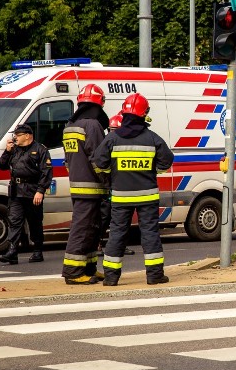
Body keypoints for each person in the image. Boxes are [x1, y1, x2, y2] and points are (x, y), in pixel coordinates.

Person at [92, 93, 174, 286]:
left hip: (121, 197)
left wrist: (113, 173)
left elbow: (99, 162)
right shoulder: (152, 138)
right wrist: (152, 170)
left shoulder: (112, 138)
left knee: (117, 235)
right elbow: (167, 161)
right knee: (150, 234)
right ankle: (154, 275)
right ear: (144, 114)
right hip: (147, 196)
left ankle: (111, 277)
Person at [60, 84, 110, 285]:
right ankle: (73, 271)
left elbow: (67, 160)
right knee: (82, 229)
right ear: (99, 104)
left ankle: (88, 267)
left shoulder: (70, 126)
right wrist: (108, 181)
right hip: (91, 186)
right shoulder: (92, 126)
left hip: (79, 185)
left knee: (91, 228)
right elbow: (99, 159)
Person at [0, 124, 52, 264]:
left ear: (27, 135)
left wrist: (40, 191)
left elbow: (46, 172)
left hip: (32, 190)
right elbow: (2, 165)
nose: (15, 137)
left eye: (18, 135)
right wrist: (7, 151)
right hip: (16, 191)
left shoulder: (40, 150)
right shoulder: (14, 150)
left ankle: (37, 251)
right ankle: (12, 251)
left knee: (34, 222)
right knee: (14, 221)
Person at [95, 112, 135, 257]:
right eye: (112, 130)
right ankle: (98, 244)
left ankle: (121, 245)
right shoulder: (106, 143)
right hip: (108, 186)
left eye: (115, 130)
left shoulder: (123, 142)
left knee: (121, 219)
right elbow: (100, 164)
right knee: (104, 217)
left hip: (119, 186)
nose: (113, 132)